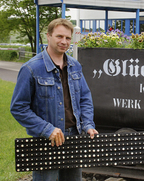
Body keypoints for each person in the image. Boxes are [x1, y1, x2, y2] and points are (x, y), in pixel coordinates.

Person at [10, 18, 98, 181]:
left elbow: (85, 98)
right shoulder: (31, 68)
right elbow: (18, 108)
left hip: (74, 137)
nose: (64, 42)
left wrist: (87, 124)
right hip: (46, 141)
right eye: (59, 36)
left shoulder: (75, 66)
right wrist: (47, 129)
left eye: (67, 38)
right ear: (48, 36)